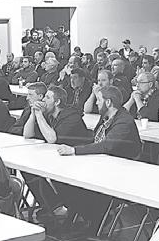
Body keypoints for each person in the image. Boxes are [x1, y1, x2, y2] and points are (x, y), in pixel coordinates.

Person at [55, 86, 141, 226]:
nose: (96, 103)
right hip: (102, 164)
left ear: (108, 102)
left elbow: (106, 146)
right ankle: (86, 214)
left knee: (74, 182)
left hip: (120, 172)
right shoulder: (106, 117)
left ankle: (95, 217)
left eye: (99, 100)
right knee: (62, 176)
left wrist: (74, 150)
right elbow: (95, 140)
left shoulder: (124, 121)